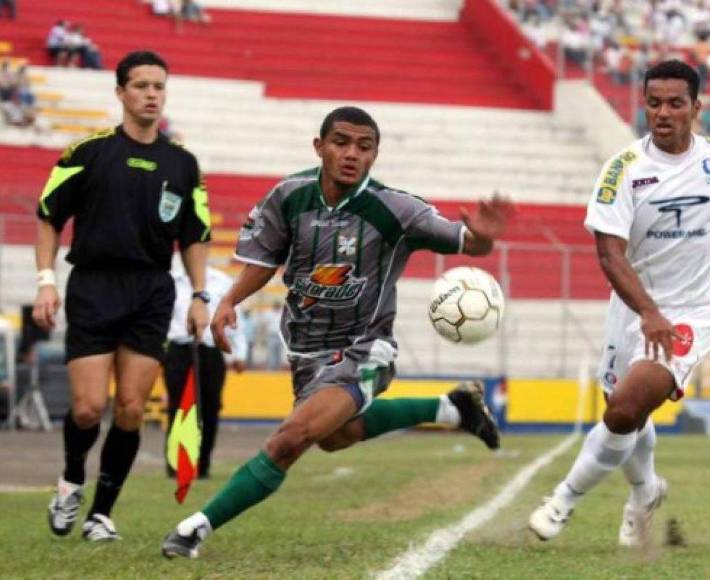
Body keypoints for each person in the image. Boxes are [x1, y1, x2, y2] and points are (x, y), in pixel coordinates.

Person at [160, 106, 510, 559]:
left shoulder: (396, 209)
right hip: (306, 353)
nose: (351, 154)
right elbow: (265, 259)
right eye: (341, 143)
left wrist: (482, 238)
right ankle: (452, 408)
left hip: (364, 348)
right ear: (319, 146)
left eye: (364, 147)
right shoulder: (289, 196)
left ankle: (194, 528)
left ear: (375, 155)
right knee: (335, 436)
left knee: (291, 438)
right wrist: (230, 301)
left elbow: (466, 240)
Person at [528, 60, 710, 547]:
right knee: (626, 411)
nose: (663, 113)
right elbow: (609, 255)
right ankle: (645, 492)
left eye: (675, 103)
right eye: (654, 103)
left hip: (691, 310)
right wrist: (648, 311)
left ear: (696, 108)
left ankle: (563, 500)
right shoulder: (623, 171)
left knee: (623, 412)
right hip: (633, 307)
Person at [33, 50, 211, 542]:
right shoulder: (86, 153)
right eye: (141, 86)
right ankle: (71, 480)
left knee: (131, 407)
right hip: (93, 285)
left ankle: (101, 515)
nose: (152, 94)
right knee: (89, 408)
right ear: (120, 93)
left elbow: (195, 236)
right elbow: (48, 217)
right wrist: (46, 280)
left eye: (159, 86)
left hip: (152, 290)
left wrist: (200, 295)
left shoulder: (183, 163)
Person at [165, 265, 247, 479]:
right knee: (178, 406)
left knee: (210, 407)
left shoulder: (222, 281)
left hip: (210, 350)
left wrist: (239, 353)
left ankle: (202, 465)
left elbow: (235, 317)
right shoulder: (173, 281)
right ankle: (176, 464)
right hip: (179, 349)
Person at [262, 301, 284, 370]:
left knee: (279, 353)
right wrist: (264, 336)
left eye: (278, 305)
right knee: (271, 352)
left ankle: (278, 368)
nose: (277, 306)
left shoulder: (282, 313)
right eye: (276, 305)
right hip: (271, 335)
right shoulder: (269, 313)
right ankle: (271, 369)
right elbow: (264, 325)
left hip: (280, 335)